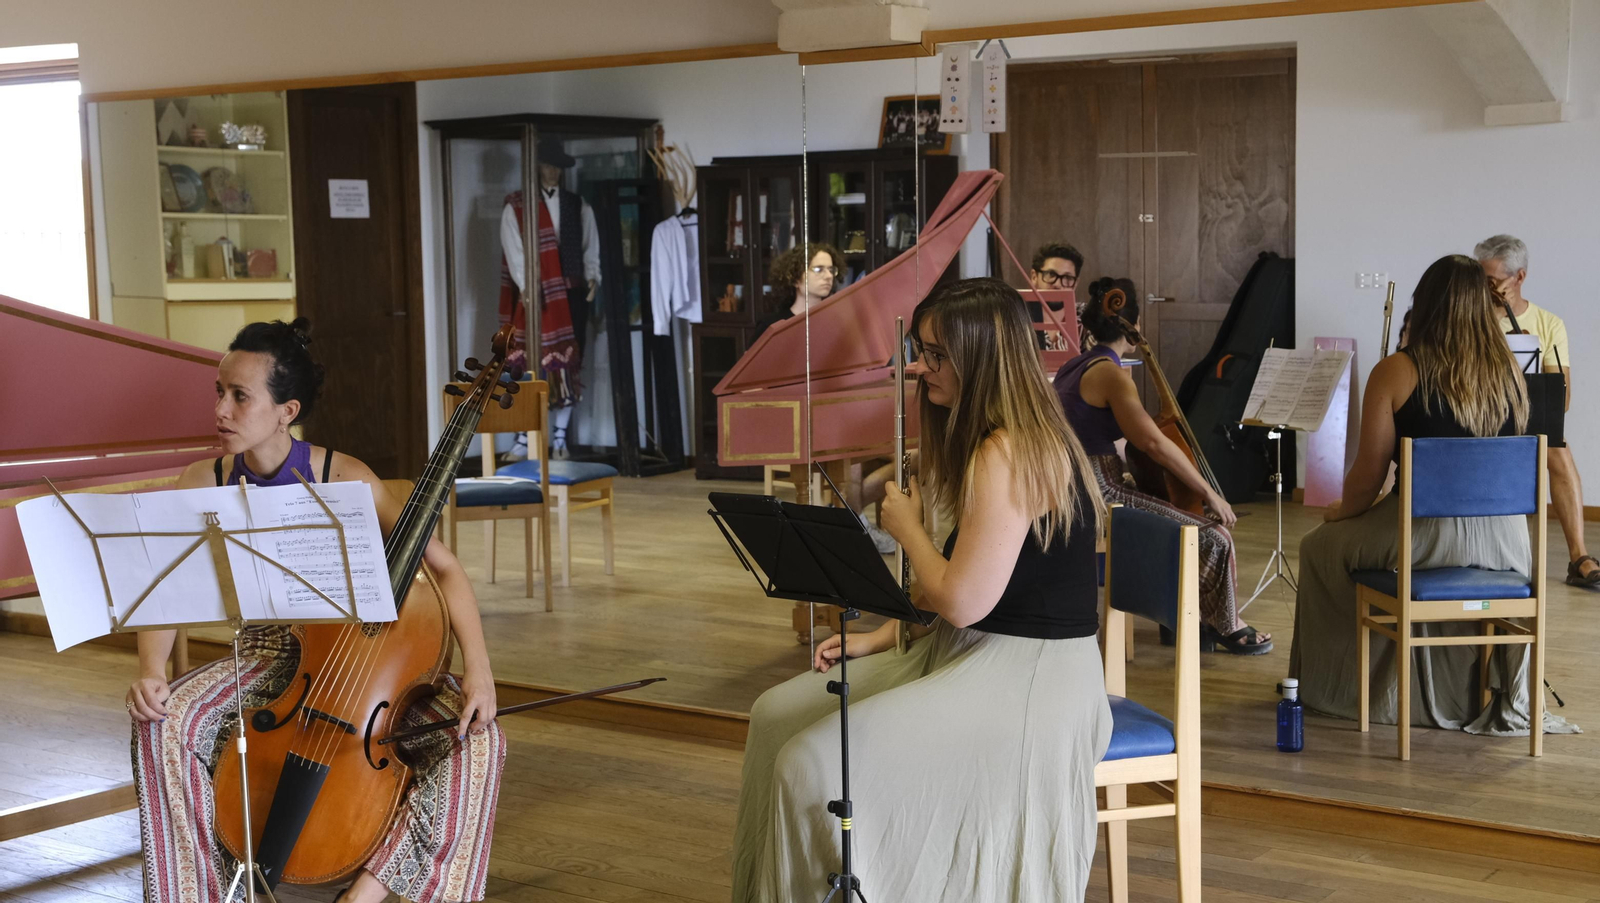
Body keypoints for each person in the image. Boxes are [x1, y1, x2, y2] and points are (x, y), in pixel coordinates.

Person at [732, 278, 1112, 902]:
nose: (918, 365)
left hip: (1029, 683)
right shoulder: (993, 440)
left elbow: (963, 599)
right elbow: (971, 591)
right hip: (972, 651)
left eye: (934, 353)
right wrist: (885, 634)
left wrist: (907, 531)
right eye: (920, 348)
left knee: (810, 765)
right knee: (774, 716)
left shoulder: (1010, 450)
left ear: (979, 357)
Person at [125, 320, 505, 903]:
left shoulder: (345, 477)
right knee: (163, 722)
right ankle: (195, 893)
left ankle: (370, 891)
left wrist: (479, 670)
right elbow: (166, 587)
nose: (221, 409)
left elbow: (444, 569)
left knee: (479, 742)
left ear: (287, 410)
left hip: (363, 658)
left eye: (240, 396)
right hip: (265, 655)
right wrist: (153, 670)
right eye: (218, 392)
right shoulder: (203, 480)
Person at [1290, 255, 1575, 735]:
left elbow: (1367, 477)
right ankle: (1462, 690)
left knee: (1317, 549)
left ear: (1423, 304)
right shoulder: (1513, 372)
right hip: (1507, 542)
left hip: (1422, 532)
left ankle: (1346, 690)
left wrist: (1341, 513)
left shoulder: (1397, 370)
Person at [1052, 277, 1271, 654]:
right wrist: (1210, 494)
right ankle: (1227, 624)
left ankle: (1188, 618)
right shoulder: (1109, 373)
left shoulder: (1074, 366)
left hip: (1071, 484)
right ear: (1134, 326)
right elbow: (1152, 442)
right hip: (1096, 492)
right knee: (1214, 536)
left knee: (1168, 515)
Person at [1475, 234, 1595, 588]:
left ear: (1519, 278)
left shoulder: (1548, 324)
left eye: (1492, 281)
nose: (1485, 288)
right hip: (1476, 415)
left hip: (1523, 417)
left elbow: (1562, 399)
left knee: (1557, 449)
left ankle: (1579, 556)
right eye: (1479, 279)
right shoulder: (1468, 319)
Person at [500, 140, 601, 459]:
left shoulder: (577, 204)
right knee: (527, 363)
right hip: (535, 293)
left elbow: (590, 244)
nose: (553, 172)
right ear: (537, 168)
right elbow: (513, 248)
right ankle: (523, 438)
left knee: (568, 363)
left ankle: (559, 438)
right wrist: (525, 284)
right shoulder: (517, 205)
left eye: (558, 167)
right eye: (547, 166)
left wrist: (593, 277)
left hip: (571, 293)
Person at [754, 241, 843, 340]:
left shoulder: (837, 324)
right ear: (795, 278)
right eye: (818, 269)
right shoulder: (771, 327)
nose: (828, 276)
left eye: (831, 270)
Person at [1027, 241, 1083, 351]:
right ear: (1034, 277)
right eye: (1051, 274)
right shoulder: (1016, 316)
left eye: (1067, 278)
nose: (1057, 284)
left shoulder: (1087, 317)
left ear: (1075, 283)